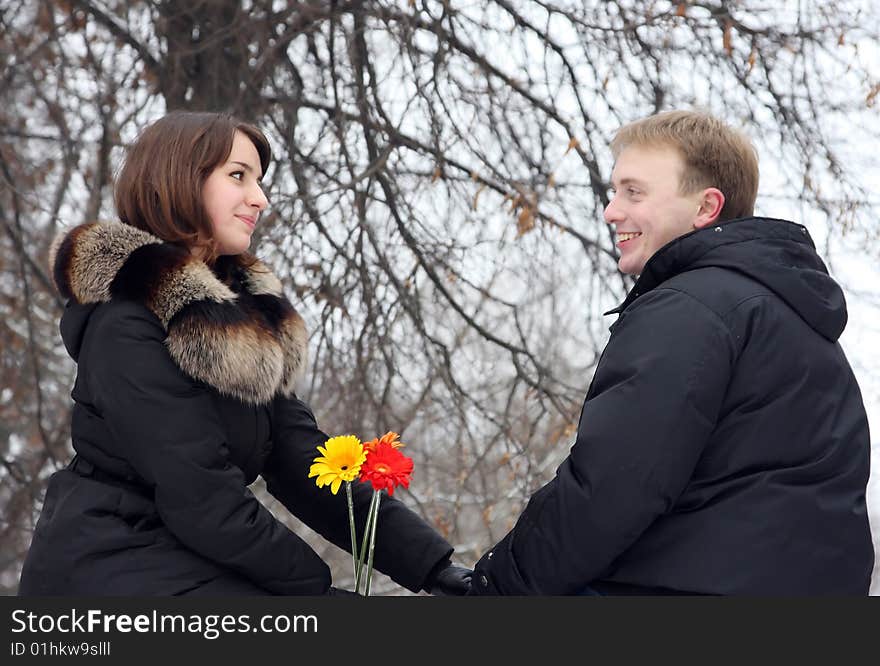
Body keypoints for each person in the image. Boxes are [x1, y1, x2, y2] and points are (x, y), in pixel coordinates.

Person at [18, 110, 472, 596]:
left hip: (188, 561)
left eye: (258, 179)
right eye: (238, 176)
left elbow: (302, 460)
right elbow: (200, 495)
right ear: (179, 181)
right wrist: (320, 591)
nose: (261, 198)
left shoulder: (239, 320)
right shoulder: (126, 325)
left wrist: (432, 567)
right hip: (108, 573)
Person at [468, 109, 874, 595]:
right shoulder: (792, 318)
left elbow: (610, 492)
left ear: (705, 208)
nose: (611, 211)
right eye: (614, 190)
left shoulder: (693, 308)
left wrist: (497, 587)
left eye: (633, 192)